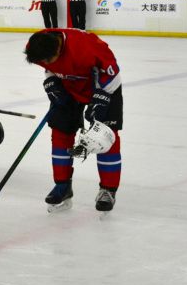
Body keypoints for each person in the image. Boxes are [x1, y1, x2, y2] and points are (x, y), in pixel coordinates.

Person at [25, 29, 123, 212]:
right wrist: (51, 82)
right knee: (60, 132)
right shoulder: (36, 46)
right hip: (69, 88)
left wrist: (101, 98)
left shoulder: (88, 47)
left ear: (58, 48)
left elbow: (113, 74)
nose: (46, 63)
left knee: (105, 136)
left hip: (104, 87)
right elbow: (49, 68)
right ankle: (62, 185)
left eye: (48, 59)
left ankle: (108, 190)